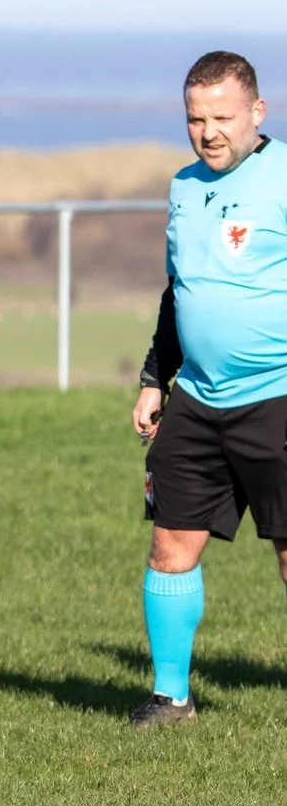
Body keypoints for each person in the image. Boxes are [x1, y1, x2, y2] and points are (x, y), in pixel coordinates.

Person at [131, 50, 287, 727]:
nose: (209, 131)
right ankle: (171, 697)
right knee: (171, 544)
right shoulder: (183, 188)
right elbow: (179, 293)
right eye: (196, 119)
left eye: (223, 116)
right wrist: (152, 378)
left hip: (277, 396)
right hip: (197, 399)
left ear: (257, 111)